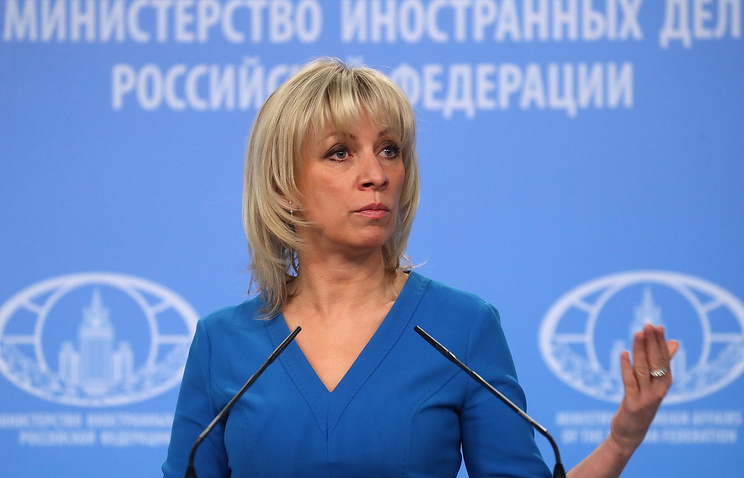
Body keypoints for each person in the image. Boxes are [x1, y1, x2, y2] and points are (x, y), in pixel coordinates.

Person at [162, 59, 678, 478]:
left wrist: (621, 440)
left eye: (390, 150)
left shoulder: (461, 327)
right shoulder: (222, 343)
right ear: (283, 189)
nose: (376, 174)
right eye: (340, 153)